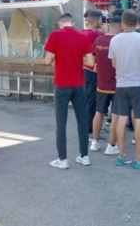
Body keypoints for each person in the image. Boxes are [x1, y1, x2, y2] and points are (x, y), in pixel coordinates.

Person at [109, 10, 140, 169]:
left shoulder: (115, 40)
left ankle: (121, 155)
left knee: (121, 120)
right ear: (136, 22)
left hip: (121, 84)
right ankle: (139, 157)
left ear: (123, 23)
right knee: (139, 120)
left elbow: (114, 64)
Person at [44, 13, 94, 169]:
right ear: (73, 22)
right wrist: (78, 57)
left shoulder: (55, 35)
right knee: (82, 121)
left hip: (62, 83)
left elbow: (47, 60)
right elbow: (91, 61)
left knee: (61, 123)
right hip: (79, 84)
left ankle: (63, 159)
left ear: (60, 23)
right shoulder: (83, 36)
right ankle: (84, 156)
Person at [90, 13, 121, 155]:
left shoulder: (98, 40)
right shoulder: (120, 41)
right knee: (115, 115)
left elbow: (93, 61)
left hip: (101, 82)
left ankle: (94, 142)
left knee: (99, 112)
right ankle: (111, 145)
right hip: (117, 83)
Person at [82, 10, 104, 137]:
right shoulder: (95, 34)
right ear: (96, 21)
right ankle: (90, 128)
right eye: (100, 20)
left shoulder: (82, 33)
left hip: (83, 68)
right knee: (92, 100)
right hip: (93, 69)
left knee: (87, 99)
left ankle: (87, 125)